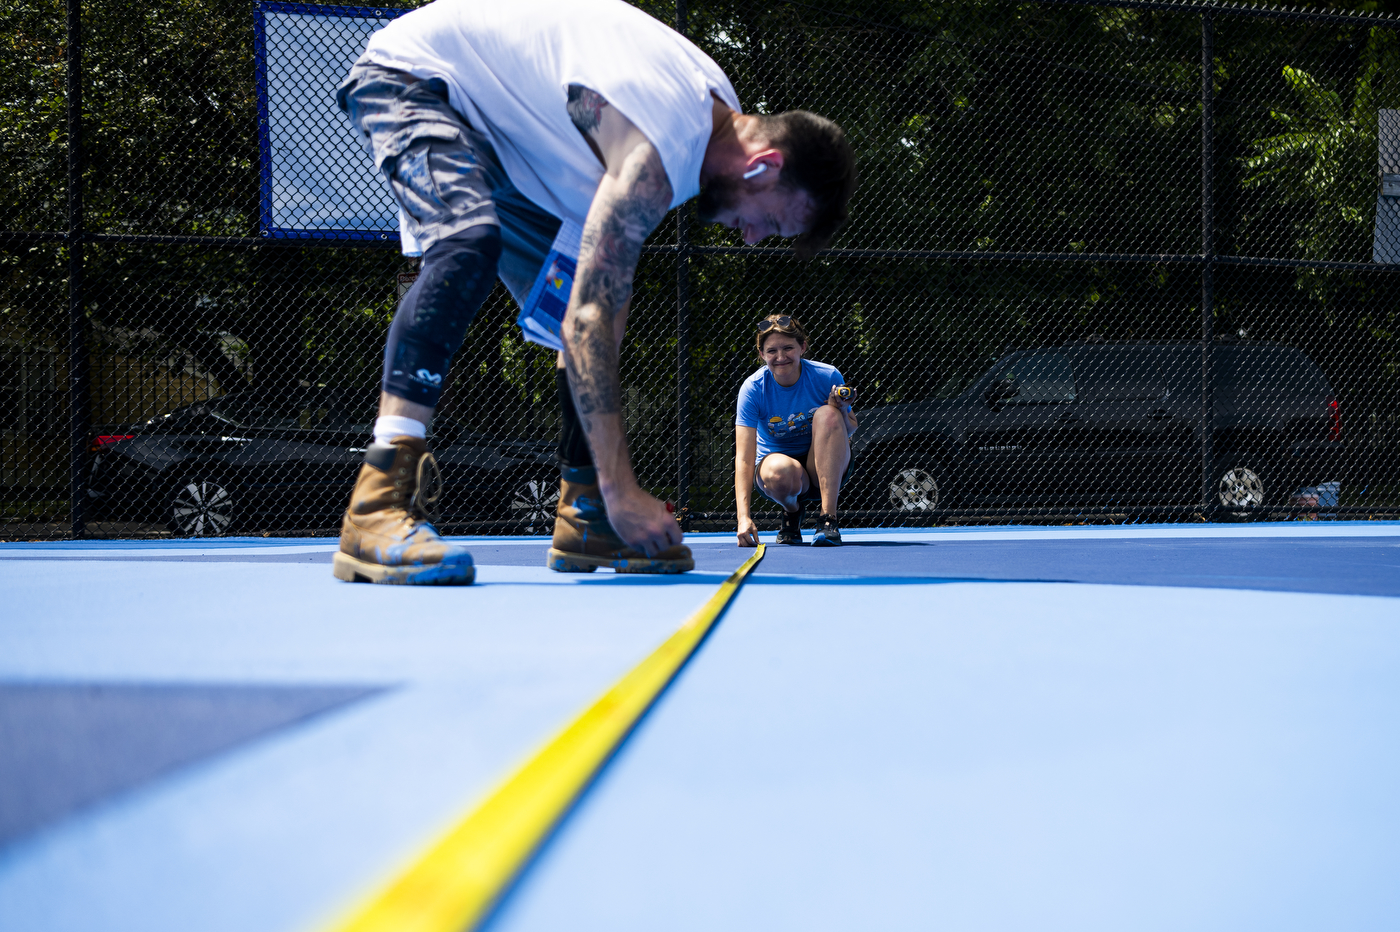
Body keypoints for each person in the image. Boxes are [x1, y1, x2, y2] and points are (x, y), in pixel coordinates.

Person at [329, 0, 858, 584]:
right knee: (467, 243)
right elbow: (588, 318)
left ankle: (582, 511)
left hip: (514, 146)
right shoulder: (666, 140)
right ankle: (377, 503)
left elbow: (598, 305)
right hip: (420, 80)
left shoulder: (709, 117)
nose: (753, 238)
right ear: (764, 167)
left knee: (602, 303)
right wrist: (623, 489)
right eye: (773, 222)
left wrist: (603, 487)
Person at [735, 315, 857, 548]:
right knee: (779, 470)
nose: (780, 357)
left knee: (828, 414)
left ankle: (828, 519)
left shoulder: (827, 376)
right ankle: (793, 510)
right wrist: (743, 517)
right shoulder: (753, 389)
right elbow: (743, 458)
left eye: (788, 348)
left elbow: (849, 428)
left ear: (802, 347)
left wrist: (840, 410)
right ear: (762, 355)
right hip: (782, 473)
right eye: (771, 351)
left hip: (825, 465)